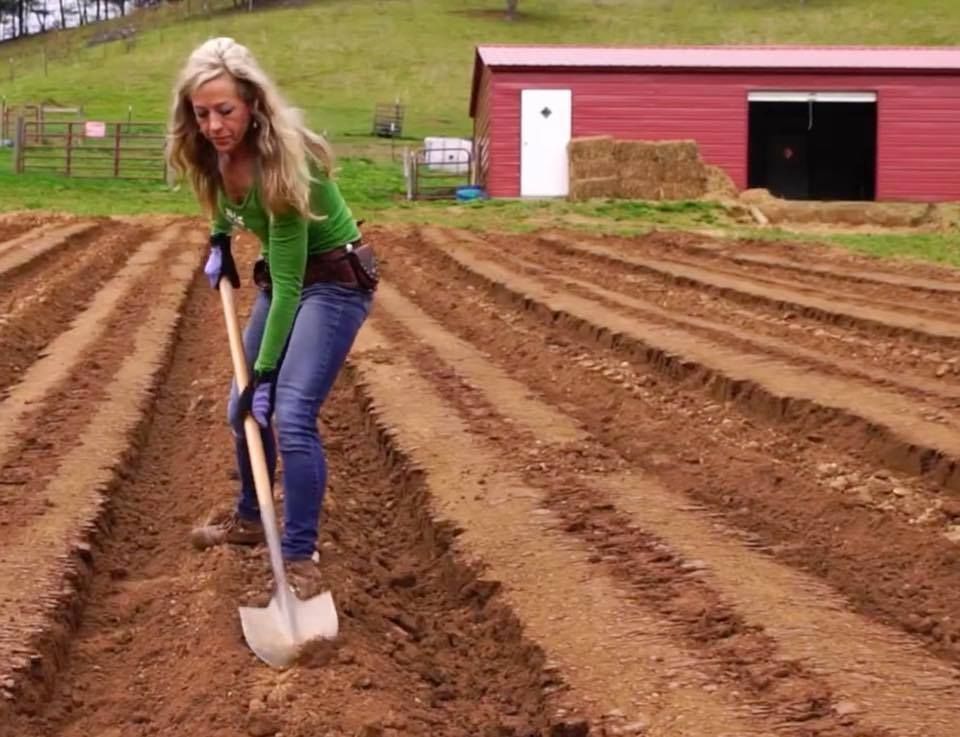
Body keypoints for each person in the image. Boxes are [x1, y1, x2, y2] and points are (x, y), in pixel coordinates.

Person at [166, 37, 377, 597]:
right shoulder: (210, 152)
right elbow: (218, 199)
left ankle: (300, 553)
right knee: (241, 411)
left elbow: (287, 286)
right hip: (288, 282)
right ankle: (251, 517)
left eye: (225, 111)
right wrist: (218, 239)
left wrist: (262, 372)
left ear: (253, 104)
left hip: (332, 284)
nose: (213, 125)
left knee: (290, 413)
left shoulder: (284, 167)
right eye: (202, 112)